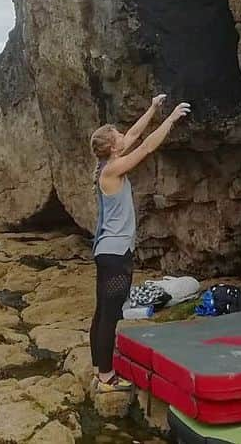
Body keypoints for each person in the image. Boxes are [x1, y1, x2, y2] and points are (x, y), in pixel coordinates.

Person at [87, 93, 191, 393]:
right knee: (111, 313)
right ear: (111, 146)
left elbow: (134, 134)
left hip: (106, 252)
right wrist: (170, 120)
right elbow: (145, 146)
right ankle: (106, 378)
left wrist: (153, 108)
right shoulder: (112, 170)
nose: (123, 135)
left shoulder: (109, 162)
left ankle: (98, 369)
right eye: (116, 135)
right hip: (116, 255)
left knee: (102, 311)